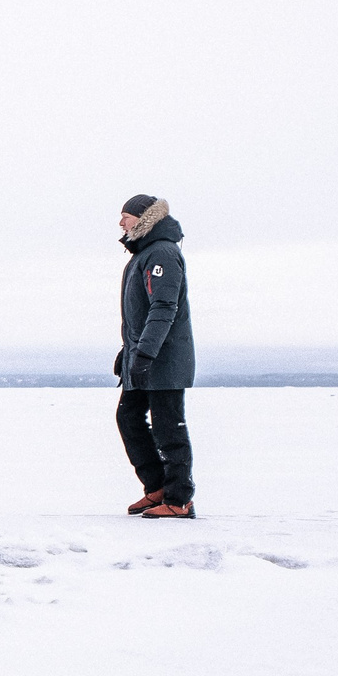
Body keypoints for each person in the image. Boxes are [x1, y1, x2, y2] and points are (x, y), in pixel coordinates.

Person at [114, 193, 195, 517]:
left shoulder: (161, 252)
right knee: (129, 418)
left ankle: (179, 499)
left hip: (164, 357)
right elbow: (140, 311)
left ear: (144, 218)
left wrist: (145, 353)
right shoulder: (143, 254)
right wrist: (129, 350)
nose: (121, 223)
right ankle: (157, 487)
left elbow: (164, 307)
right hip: (144, 354)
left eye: (125, 216)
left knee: (168, 427)